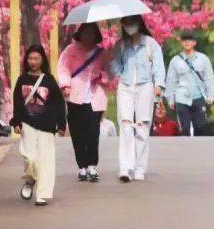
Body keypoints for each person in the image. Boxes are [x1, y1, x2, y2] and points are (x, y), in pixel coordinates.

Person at [108, 15, 164, 183]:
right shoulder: (120, 45)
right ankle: (125, 167)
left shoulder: (150, 44)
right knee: (125, 125)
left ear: (139, 23)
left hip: (145, 86)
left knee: (142, 126)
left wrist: (159, 85)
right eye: (125, 24)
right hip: (125, 86)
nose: (129, 26)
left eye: (132, 23)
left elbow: (159, 65)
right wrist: (111, 60)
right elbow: (114, 68)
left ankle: (140, 167)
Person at [11, 44, 66, 206]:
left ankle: (43, 194)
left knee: (46, 160)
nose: (33, 61)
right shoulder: (22, 80)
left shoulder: (49, 80)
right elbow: (18, 102)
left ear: (42, 60)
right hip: (28, 123)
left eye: (36, 58)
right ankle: (30, 180)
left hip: (47, 125)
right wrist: (17, 121)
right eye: (30, 58)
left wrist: (61, 123)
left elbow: (58, 103)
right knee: (31, 158)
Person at [57, 23, 110, 182]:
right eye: (85, 33)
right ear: (80, 34)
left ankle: (92, 165)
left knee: (93, 133)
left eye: (91, 33)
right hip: (75, 96)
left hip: (95, 98)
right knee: (78, 133)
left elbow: (111, 72)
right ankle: (82, 166)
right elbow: (63, 69)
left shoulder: (102, 53)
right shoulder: (70, 51)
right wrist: (65, 84)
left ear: (96, 35)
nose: (88, 36)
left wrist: (100, 75)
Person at [165, 30, 214, 136]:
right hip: (182, 98)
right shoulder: (175, 60)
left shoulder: (203, 59)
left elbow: (209, 78)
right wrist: (170, 98)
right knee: (184, 128)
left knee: (200, 127)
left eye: (189, 40)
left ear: (194, 42)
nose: (186, 42)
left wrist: (211, 95)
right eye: (184, 40)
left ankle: (198, 151)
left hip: (198, 97)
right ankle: (185, 151)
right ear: (181, 42)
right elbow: (171, 80)